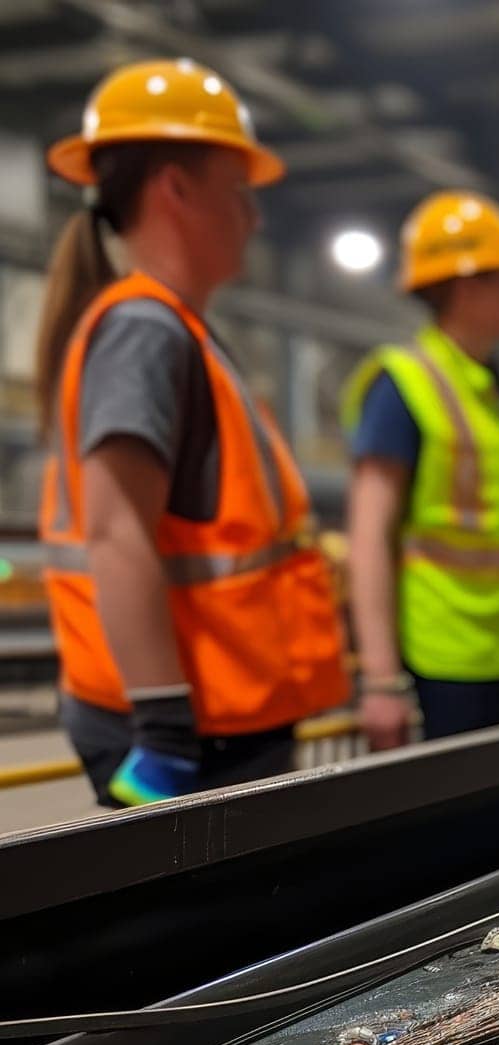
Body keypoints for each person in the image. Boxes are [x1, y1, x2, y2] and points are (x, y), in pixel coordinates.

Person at [36, 59, 348, 807]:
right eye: (238, 193)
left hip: (215, 714)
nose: (255, 217)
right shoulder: (146, 331)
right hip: (189, 730)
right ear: (175, 189)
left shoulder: (177, 330)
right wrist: (164, 727)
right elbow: (116, 534)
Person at [341, 193, 499, 747]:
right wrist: (381, 680)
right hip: (441, 663)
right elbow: (369, 536)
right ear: (465, 284)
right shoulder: (403, 384)